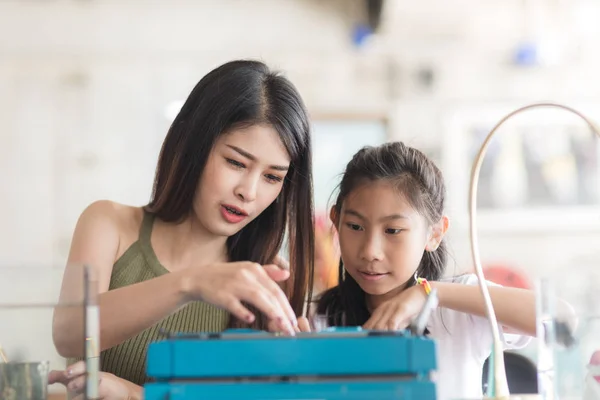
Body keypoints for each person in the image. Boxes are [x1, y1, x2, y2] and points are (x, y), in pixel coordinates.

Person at [49, 59, 315, 399]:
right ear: (193, 144)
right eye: (236, 162)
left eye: (272, 177)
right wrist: (192, 283)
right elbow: (69, 332)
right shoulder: (107, 224)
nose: (248, 191)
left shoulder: (265, 284)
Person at [313, 142, 575, 400]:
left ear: (434, 233)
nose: (371, 251)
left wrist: (429, 293)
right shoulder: (315, 319)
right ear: (336, 222)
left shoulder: (456, 312)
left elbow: (562, 319)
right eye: (355, 226)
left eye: (393, 230)